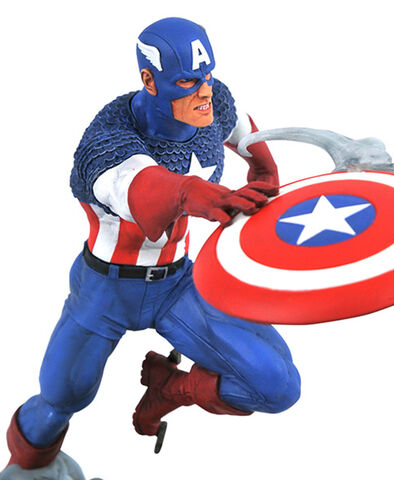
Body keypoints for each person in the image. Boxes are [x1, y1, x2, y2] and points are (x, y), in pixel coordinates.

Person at [1, 17, 301, 480]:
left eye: (207, 76)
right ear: (149, 80)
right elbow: (143, 187)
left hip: (177, 283)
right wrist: (193, 193)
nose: (204, 91)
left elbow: (239, 126)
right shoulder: (108, 138)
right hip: (104, 290)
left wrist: (264, 169)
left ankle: (169, 389)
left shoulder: (211, 100)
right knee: (60, 399)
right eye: (187, 81)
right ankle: (32, 469)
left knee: (276, 384)